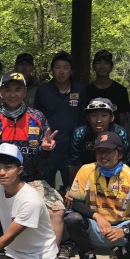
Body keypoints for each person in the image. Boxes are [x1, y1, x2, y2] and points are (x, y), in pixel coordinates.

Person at [0, 73, 65, 257]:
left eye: (18, 89)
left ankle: (51, 256)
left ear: (25, 92)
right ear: (0, 93)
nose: (13, 94)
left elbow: (43, 152)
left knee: (57, 211)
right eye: (8, 89)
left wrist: (46, 149)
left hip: (30, 178)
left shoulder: (37, 117)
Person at [64, 132, 130, 259]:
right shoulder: (86, 170)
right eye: (99, 151)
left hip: (121, 227)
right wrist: (97, 216)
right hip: (95, 225)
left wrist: (123, 231)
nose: (103, 155)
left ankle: (126, 254)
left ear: (120, 154)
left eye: (108, 151)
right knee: (72, 218)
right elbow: (76, 203)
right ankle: (87, 256)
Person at [33, 51, 86, 191]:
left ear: (71, 71)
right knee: (43, 190)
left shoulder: (80, 90)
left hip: (72, 151)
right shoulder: (43, 90)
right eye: (57, 67)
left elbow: (83, 119)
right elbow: (36, 118)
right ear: (52, 70)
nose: (61, 71)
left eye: (65, 67)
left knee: (73, 191)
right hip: (48, 150)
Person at [69, 98, 129, 181]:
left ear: (112, 117)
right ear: (88, 118)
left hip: (114, 175)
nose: (99, 120)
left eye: (104, 115)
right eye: (94, 115)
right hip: (86, 176)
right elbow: (74, 163)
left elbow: (123, 161)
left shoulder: (120, 133)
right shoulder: (79, 134)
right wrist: (74, 186)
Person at [85, 50, 130, 127]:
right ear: (93, 67)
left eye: (106, 63)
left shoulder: (120, 90)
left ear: (111, 67)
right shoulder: (86, 91)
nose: (102, 66)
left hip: (113, 134)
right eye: (98, 63)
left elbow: (123, 116)